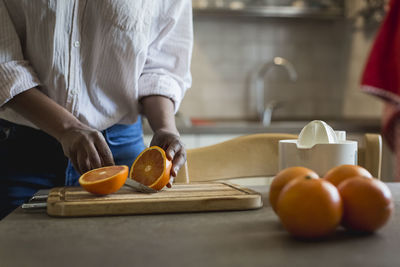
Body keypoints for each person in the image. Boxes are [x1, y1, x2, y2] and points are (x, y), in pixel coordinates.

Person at [0, 0, 193, 219]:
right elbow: (4, 66)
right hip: (22, 152)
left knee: (126, 251)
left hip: (120, 149)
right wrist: (68, 128)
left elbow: (161, 67)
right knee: (16, 251)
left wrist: (166, 127)